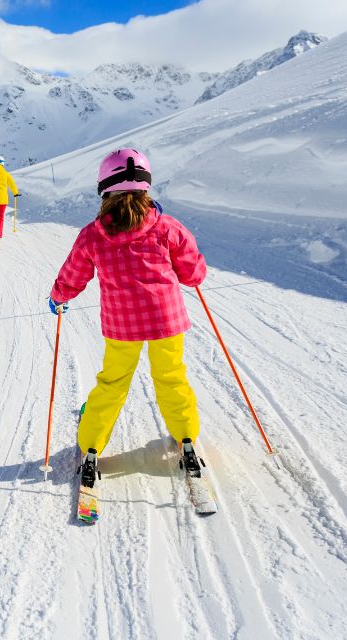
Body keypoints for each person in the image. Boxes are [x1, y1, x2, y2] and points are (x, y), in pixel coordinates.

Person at [47, 148, 207, 476]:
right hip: (167, 321)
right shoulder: (167, 227)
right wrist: (192, 274)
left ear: (104, 188)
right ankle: (186, 438)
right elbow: (192, 272)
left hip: (122, 326)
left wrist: (59, 296)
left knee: (113, 382)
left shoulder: (93, 234)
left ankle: (91, 445)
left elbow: (74, 273)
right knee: (171, 377)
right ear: (145, 186)